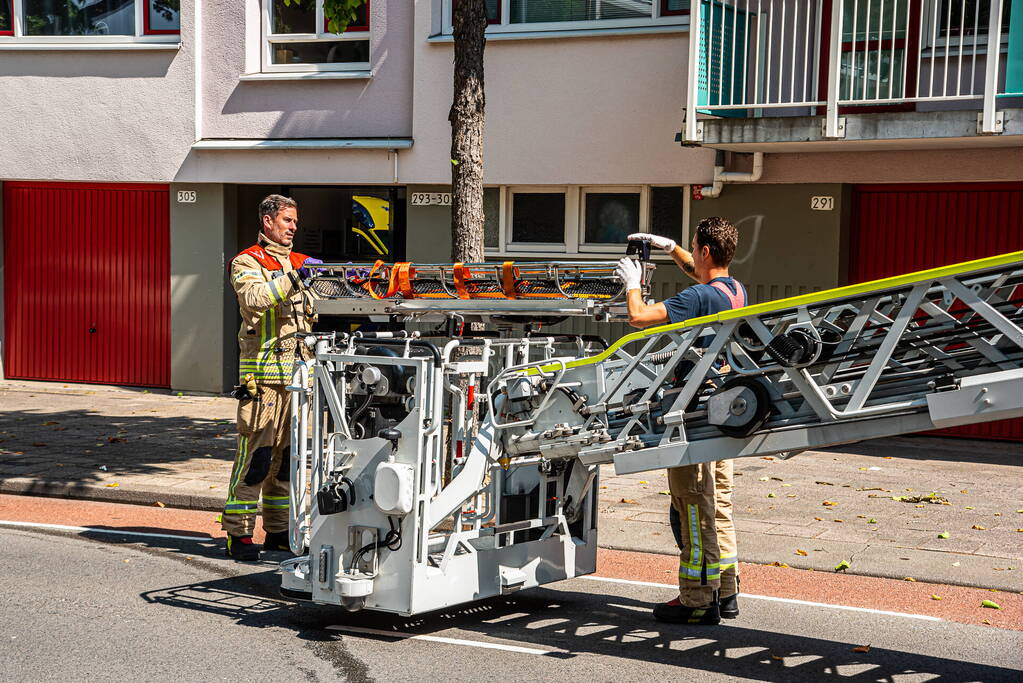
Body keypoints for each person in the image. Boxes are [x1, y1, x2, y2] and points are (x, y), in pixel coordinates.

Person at [615, 217, 746, 625]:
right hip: (723, 409)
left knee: (691, 505)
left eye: (693, 245)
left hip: (693, 413)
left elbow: (638, 317)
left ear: (706, 250)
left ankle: (696, 599)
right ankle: (726, 590)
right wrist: (671, 247)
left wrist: (632, 281)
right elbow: (702, 271)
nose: (691, 252)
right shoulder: (733, 289)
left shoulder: (695, 298)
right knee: (718, 504)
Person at [222, 194, 321, 561]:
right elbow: (255, 298)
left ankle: (278, 532)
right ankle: (239, 534)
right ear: (268, 222)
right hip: (261, 382)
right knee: (255, 460)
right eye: (287, 220)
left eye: (295, 221)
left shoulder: (300, 262)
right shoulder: (247, 261)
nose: (293, 226)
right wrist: (296, 278)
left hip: (298, 380)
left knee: (288, 463)